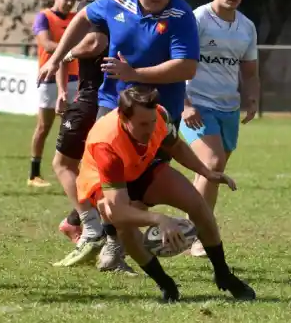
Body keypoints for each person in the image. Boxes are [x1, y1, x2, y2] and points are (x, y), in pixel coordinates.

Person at [38, 0, 200, 273]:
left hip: (157, 114)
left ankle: (120, 239)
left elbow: (187, 67)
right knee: (106, 178)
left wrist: (133, 72)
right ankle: (109, 239)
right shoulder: (117, 1)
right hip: (112, 104)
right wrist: (57, 57)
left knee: (141, 187)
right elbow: (84, 17)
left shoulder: (180, 14)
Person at [77, 85, 255, 302]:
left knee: (197, 203)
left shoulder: (159, 114)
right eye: (143, 124)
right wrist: (158, 219)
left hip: (142, 167)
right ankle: (166, 284)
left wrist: (206, 172)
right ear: (123, 118)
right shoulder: (106, 144)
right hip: (106, 183)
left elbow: (176, 146)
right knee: (125, 228)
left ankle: (223, 274)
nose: (150, 129)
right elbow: (118, 211)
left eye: (152, 122)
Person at [180, 0, 260, 257]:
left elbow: (250, 72)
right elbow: (177, 60)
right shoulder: (198, 19)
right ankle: (199, 234)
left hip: (228, 108)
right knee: (212, 163)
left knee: (211, 170)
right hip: (196, 104)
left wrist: (252, 99)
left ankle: (189, 226)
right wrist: (185, 105)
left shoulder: (246, 27)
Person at [51, 0, 114, 265]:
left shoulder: (94, 1)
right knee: (102, 172)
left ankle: (90, 227)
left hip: (94, 94)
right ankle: (79, 224)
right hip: (120, 95)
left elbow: (97, 41)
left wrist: (66, 54)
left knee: (62, 164)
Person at [28, 0, 80, 187]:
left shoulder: (76, 19)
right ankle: (34, 174)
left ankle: (74, 170)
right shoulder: (44, 17)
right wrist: (71, 50)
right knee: (44, 126)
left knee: (74, 126)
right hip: (49, 78)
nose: (69, 3)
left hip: (75, 78)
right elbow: (47, 45)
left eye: (72, 0)